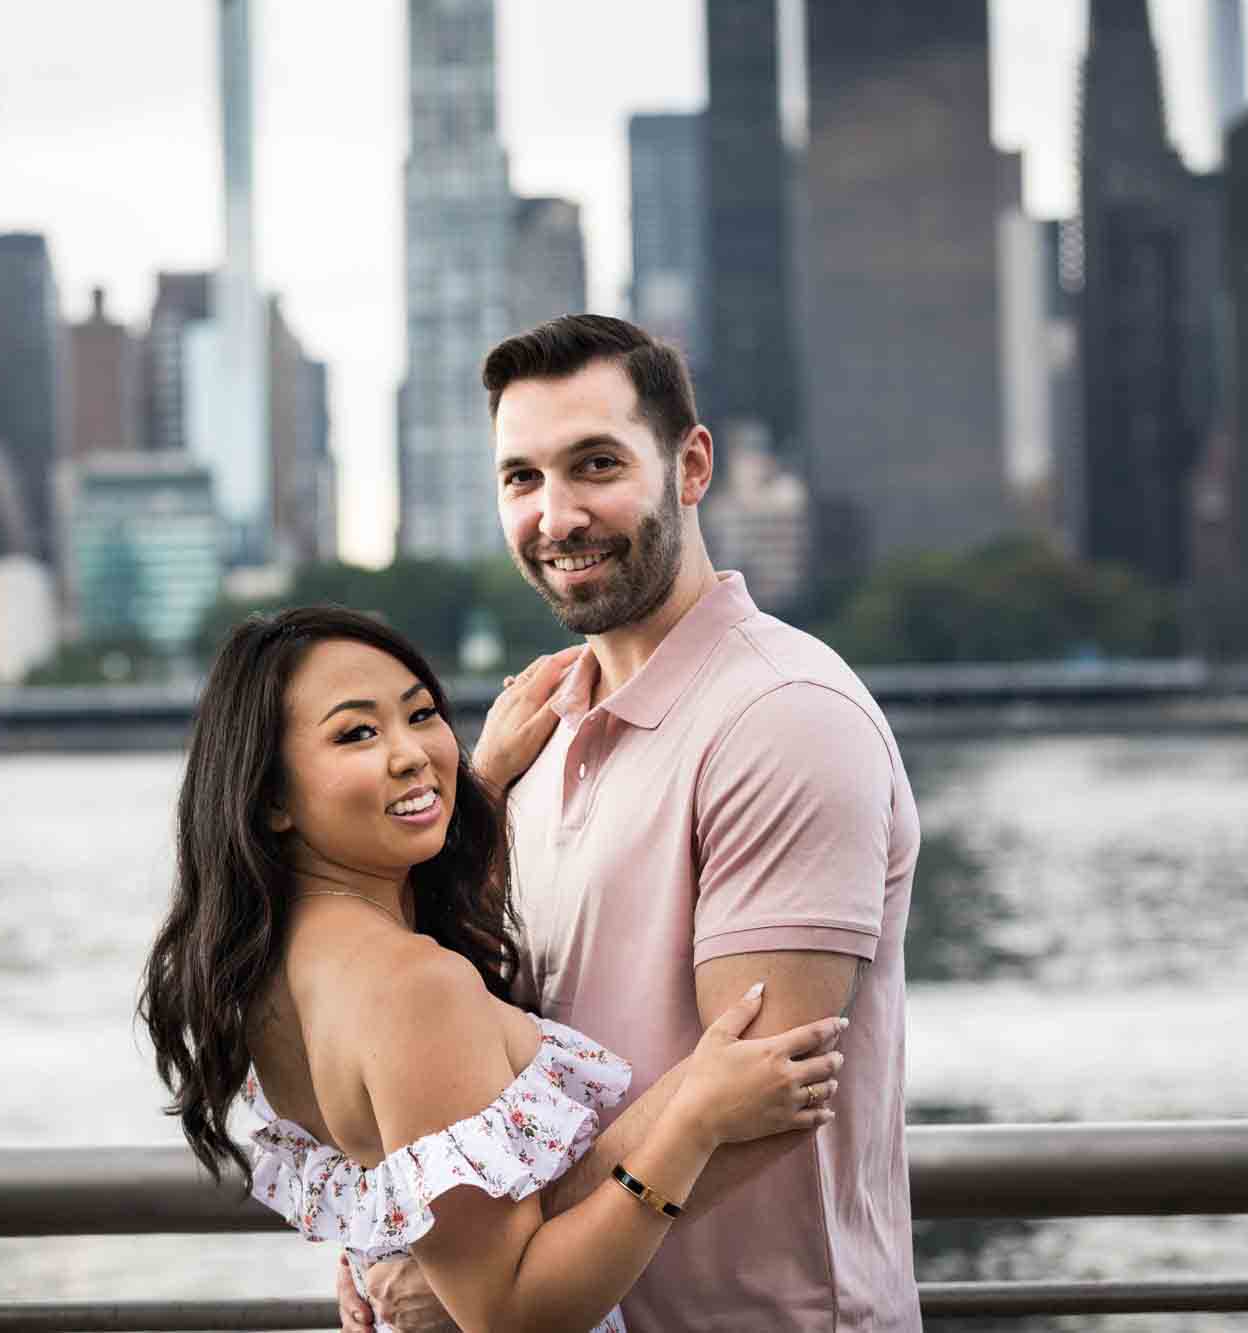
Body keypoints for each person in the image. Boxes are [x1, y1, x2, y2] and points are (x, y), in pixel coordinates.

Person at [342, 315, 923, 1332]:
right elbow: (448, 1029)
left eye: (595, 464)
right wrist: (412, 1221)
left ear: (690, 466)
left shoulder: (781, 716)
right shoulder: (541, 734)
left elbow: (756, 1103)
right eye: (520, 478)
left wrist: (460, 1248)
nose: (555, 515)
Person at [141, 605, 849, 1333]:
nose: (412, 752)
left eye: (420, 714)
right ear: (272, 798)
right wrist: (691, 1125)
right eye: (358, 732)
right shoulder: (411, 986)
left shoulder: (273, 968)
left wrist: (487, 777)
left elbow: (409, 1174)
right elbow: (510, 1314)